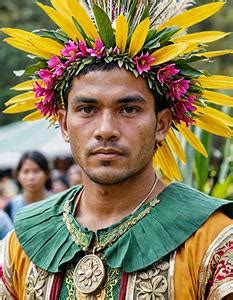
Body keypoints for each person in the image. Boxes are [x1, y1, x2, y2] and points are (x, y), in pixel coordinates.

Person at [0, 1, 232, 299]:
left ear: (162, 124)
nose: (106, 129)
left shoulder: (214, 244)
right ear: (64, 124)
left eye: (129, 109)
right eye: (87, 108)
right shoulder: (20, 245)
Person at [5, 151, 52, 221]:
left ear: (47, 174)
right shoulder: (11, 206)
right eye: (25, 171)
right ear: (17, 175)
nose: (31, 177)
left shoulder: (58, 203)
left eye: (36, 171)